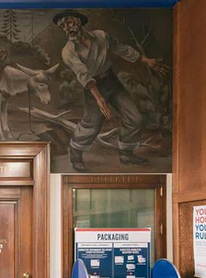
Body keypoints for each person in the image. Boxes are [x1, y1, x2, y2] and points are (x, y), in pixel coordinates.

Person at [53, 10, 168, 171]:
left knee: (134, 117)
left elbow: (122, 49)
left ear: (78, 21)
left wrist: (146, 60)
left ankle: (126, 154)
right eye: (62, 26)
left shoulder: (101, 36)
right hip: (93, 88)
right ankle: (76, 154)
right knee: (91, 125)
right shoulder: (68, 51)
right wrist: (99, 98)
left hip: (111, 81)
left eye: (68, 22)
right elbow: (84, 75)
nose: (67, 28)